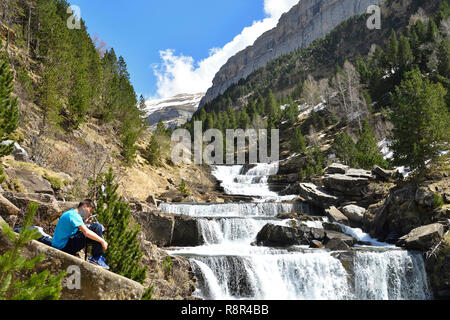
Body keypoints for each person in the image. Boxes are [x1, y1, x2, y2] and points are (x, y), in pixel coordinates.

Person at [52, 200, 110, 270]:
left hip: (62, 245)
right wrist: (102, 241)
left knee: (94, 231)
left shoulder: (71, 213)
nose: (90, 214)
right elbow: (86, 232)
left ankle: (96, 258)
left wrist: (87, 225)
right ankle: (96, 258)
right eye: (90, 211)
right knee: (97, 226)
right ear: (85, 206)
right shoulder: (73, 215)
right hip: (63, 247)